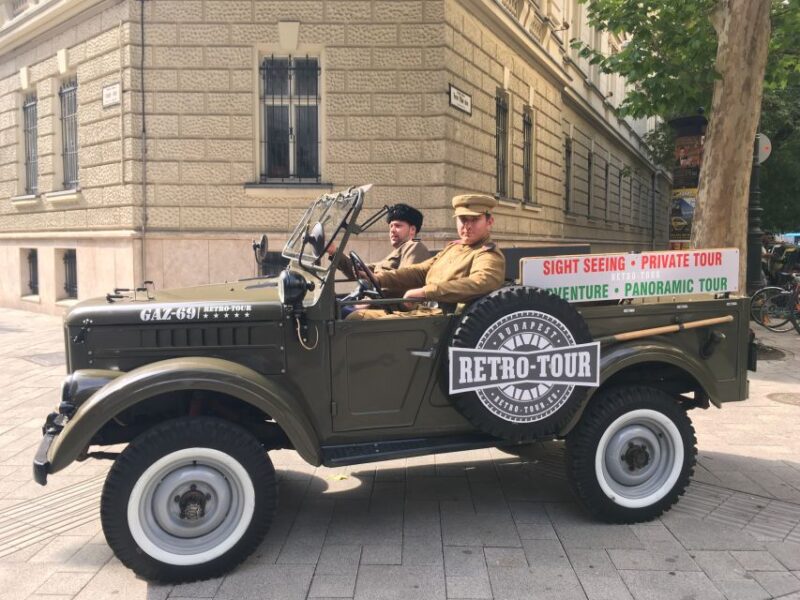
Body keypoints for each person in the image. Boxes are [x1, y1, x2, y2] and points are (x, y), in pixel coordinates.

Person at [346, 193, 506, 320]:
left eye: (475, 219)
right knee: (352, 315)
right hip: (425, 313)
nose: (467, 226)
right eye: (463, 220)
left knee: (357, 320)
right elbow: (421, 271)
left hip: (440, 319)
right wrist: (378, 278)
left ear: (489, 221)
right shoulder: (454, 248)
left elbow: (481, 283)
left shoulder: (487, 254)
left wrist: (425, 292)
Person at [329, 203, 429, 279]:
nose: (392, 230)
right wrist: (333, 251)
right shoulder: (396, 254)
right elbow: (360, 269)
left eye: (398, 226)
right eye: (391, 226)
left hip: (387, 305)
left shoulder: (415, 247)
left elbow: (406, 280)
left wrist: (375, 280)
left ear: (412, 230)